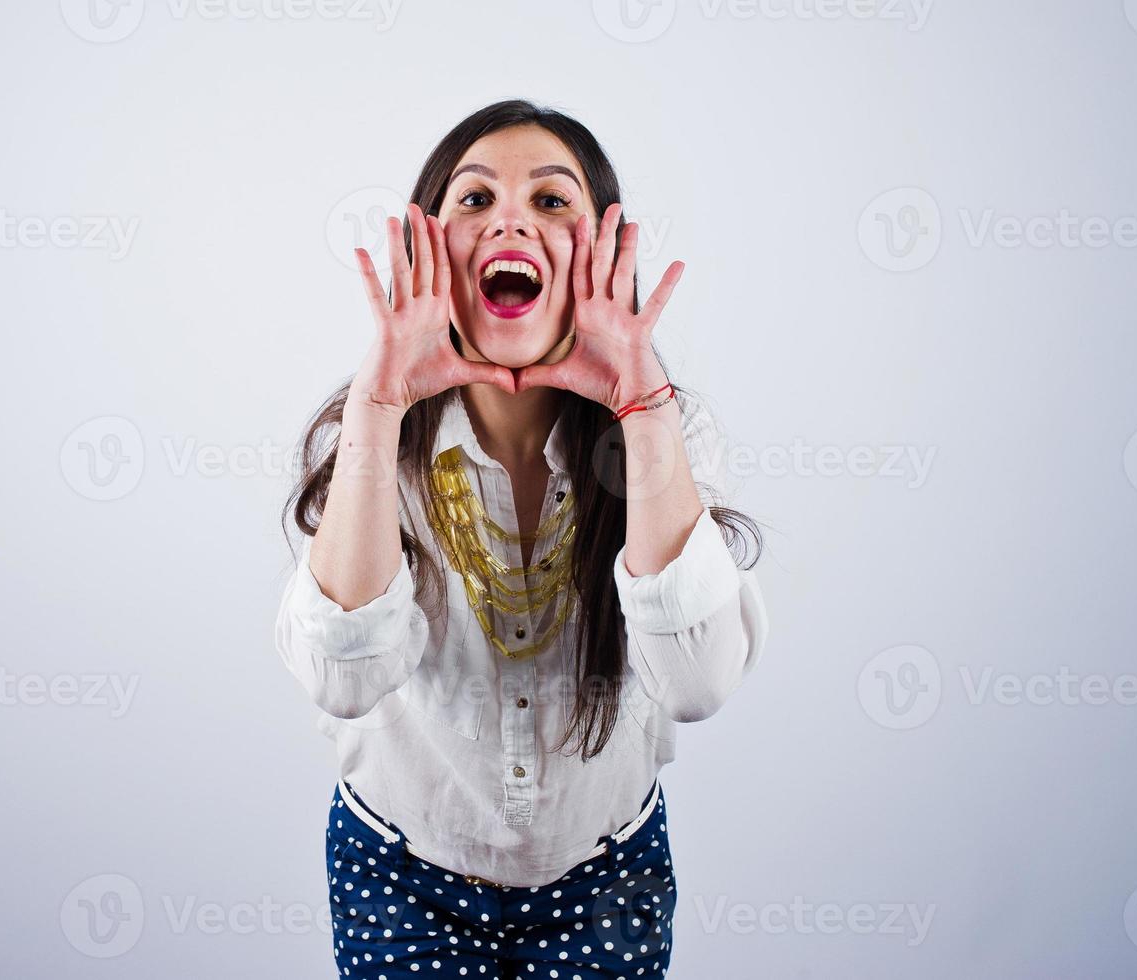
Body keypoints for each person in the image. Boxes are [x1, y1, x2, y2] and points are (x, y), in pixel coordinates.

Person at [275, 98, 770, 978]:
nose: (510, 217)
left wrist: (638, 402)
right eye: (474, 200)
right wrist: (379, 408)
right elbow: (341, 680)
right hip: (400, 872)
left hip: (605, 878)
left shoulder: (667, 432)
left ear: (604, 257)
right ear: (428, 255)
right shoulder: (367, 435)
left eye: (551, 201)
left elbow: (697, 684)